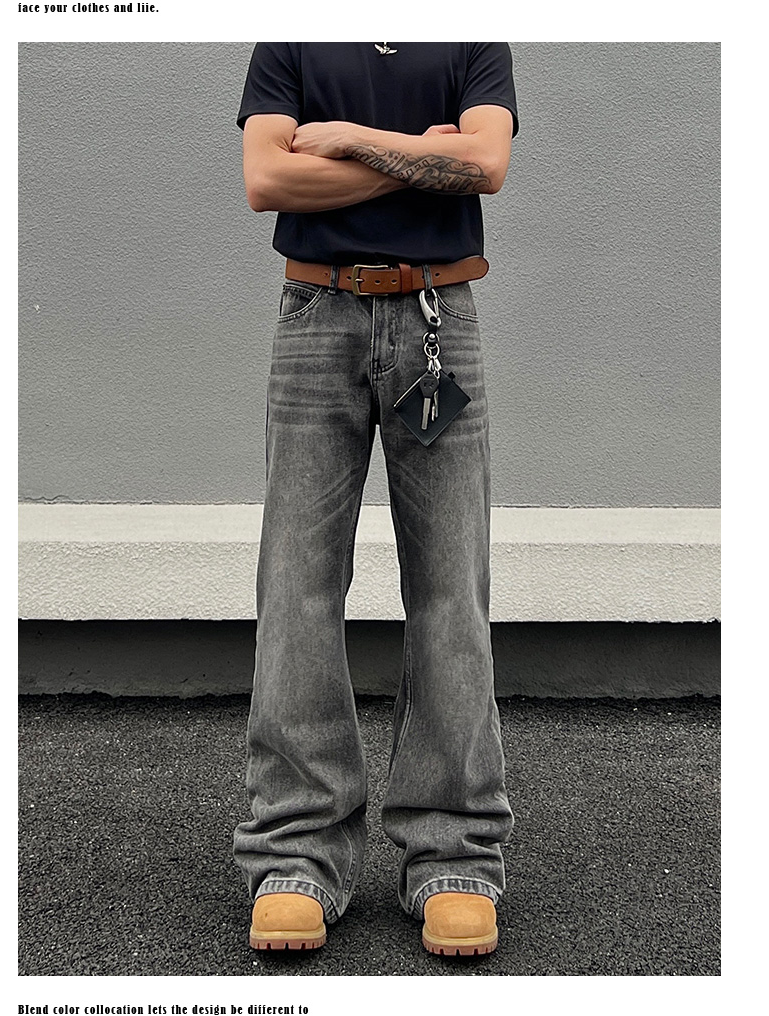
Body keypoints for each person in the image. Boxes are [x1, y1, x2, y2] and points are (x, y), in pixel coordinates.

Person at [233, 42, 519, 957]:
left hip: (441, 318)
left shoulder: (472, 37)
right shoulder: (292, 38)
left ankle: (455, 855)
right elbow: (268, 181)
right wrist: (422, 158)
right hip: (315, 314)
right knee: (298, 586)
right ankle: (296, 855)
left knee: (450, 589)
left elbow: (486, 165)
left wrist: (348, 139)